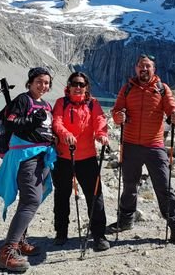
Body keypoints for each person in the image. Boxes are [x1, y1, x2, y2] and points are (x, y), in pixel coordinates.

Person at [108, 53, 175, 248]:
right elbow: (116, 110)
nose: (144, 70)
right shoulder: (127, 88)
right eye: (141, 66)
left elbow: (171, 107)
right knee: (129, 186)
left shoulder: (162, 89)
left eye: (148, 67)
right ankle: (126, 220)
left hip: (154, 145)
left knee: (164, 187)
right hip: (130, 145)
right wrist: (117, 116)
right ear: (136, 69)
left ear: (154, 69)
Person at [0, 67, 56, 272]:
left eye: (46, 82)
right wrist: (30, 120)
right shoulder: (22, 100)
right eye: (39, 81)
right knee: (31, 200)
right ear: (30, 82)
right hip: (26, 157)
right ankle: (7, 252)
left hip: (42, 156)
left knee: (35, 198)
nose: (43, 85)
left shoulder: (46, 105)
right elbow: (11, 124)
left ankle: (19, 241)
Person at [51, 72, 110, 251]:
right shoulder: (61, 103)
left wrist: (101, 134)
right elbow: (56, 122)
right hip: (63, 157)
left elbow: (99, 119)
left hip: (87, 157)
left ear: (86, 87)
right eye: (75, 84)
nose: (78, 87)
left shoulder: (93, 104)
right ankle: (61, 232)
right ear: (68, 86)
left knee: (95, 196)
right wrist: (65, 134)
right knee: (62, 195)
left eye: (81, 84)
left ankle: (99, 235)